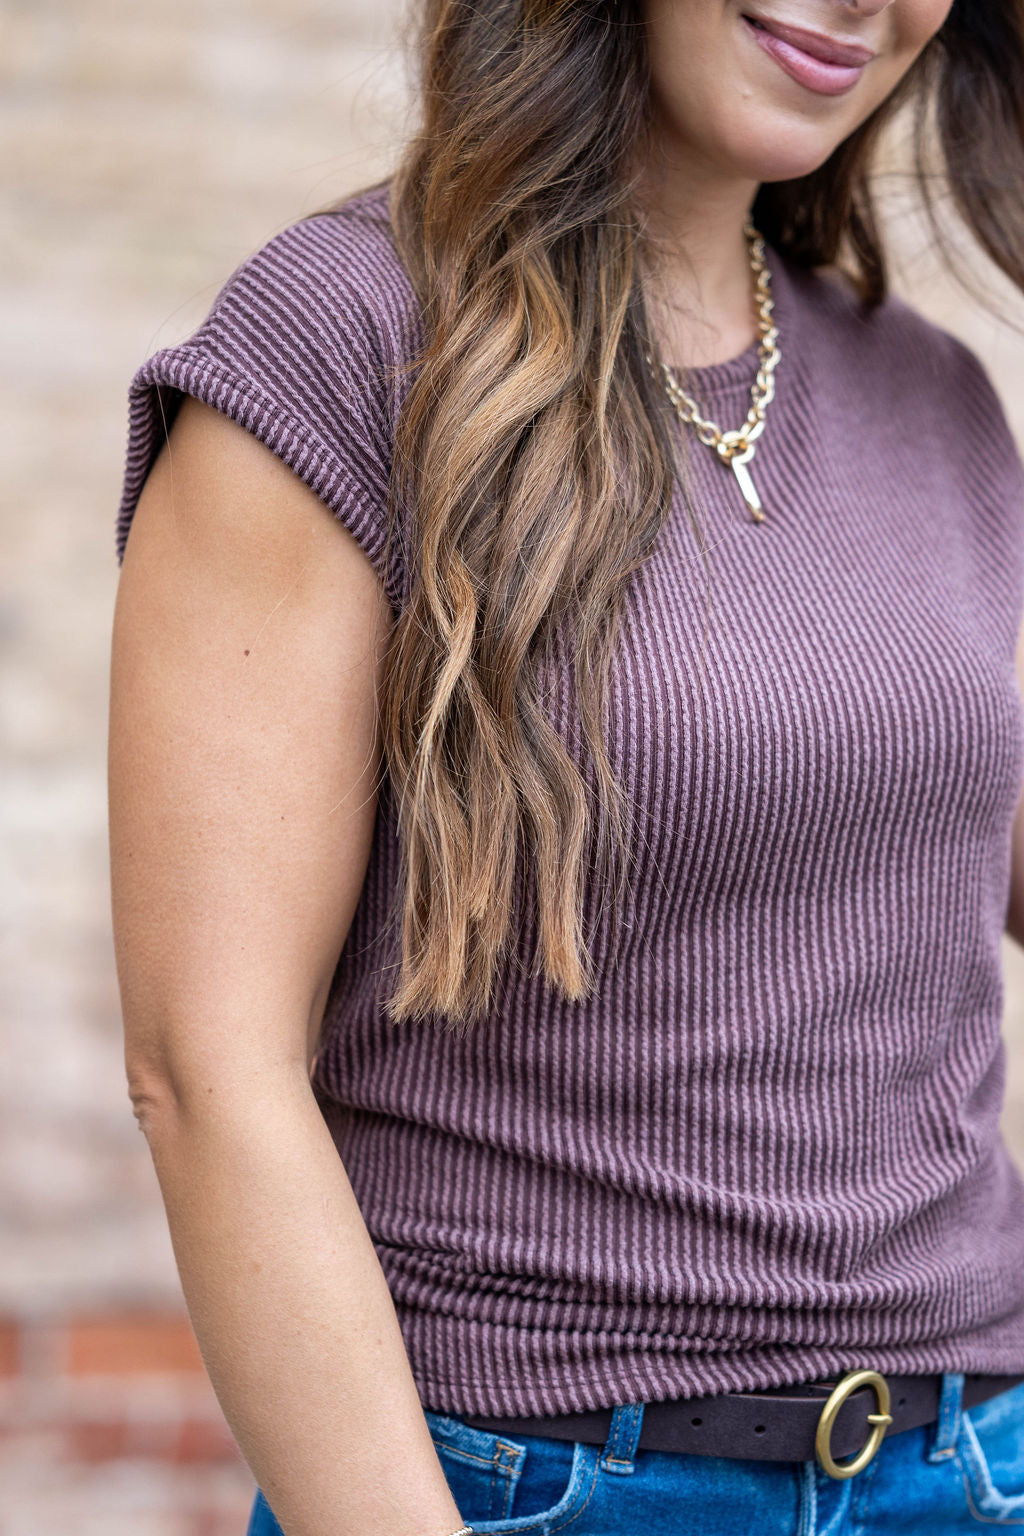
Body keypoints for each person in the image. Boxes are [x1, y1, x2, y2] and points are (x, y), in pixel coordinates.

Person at [107, 0, 1024, 1531]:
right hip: (542, 1482)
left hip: (973, 1464)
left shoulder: (929, 396)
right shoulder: (347, 341)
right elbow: (209, 1072)